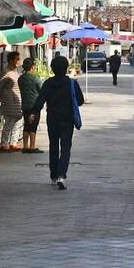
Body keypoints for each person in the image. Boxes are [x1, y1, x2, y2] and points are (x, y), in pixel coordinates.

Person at [29, 54, 85, 189]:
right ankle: (61, 175)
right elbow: (81, 101)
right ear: (66, 68)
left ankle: (54, 175)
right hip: (68, 120)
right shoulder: (72, 83)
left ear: (52, 69)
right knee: (65, 148)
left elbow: (40, 100)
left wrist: (33, 112)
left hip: (53, 119)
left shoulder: (48, 83)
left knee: (53, 146)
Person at [0, 51, 24, 153]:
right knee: (9, 124)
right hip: (9, 103)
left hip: (18, 103)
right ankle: (4, 144)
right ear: (11, 60)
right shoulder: (6, 72)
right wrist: (4, 97)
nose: (18, 61)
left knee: (18, 124)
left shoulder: (16, 72)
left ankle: (13, 143)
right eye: (16, 59)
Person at [18, 56, 43, 153]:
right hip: (34, 105)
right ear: (32, 67)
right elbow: (41, 90)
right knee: (33, 126)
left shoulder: (21, 79)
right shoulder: (35, 78)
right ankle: (32, 146)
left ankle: (25, 146)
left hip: (25, 105)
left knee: (26, 125)